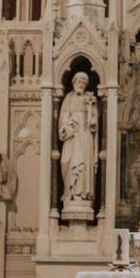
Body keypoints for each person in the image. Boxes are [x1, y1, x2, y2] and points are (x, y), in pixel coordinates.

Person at [58, 71, 98, 207]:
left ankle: (81, 194)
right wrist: (66, 127)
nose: (80, 84)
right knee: (65, 162)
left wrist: (92, 119)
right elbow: (63, 115)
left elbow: (94, 120)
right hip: (72, 135)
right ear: (74, 82)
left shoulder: (90, 98)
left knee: (84, 165)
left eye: (83, 82)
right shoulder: (68, 98)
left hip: (85, 134)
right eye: (78, 82)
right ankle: (69, 192)